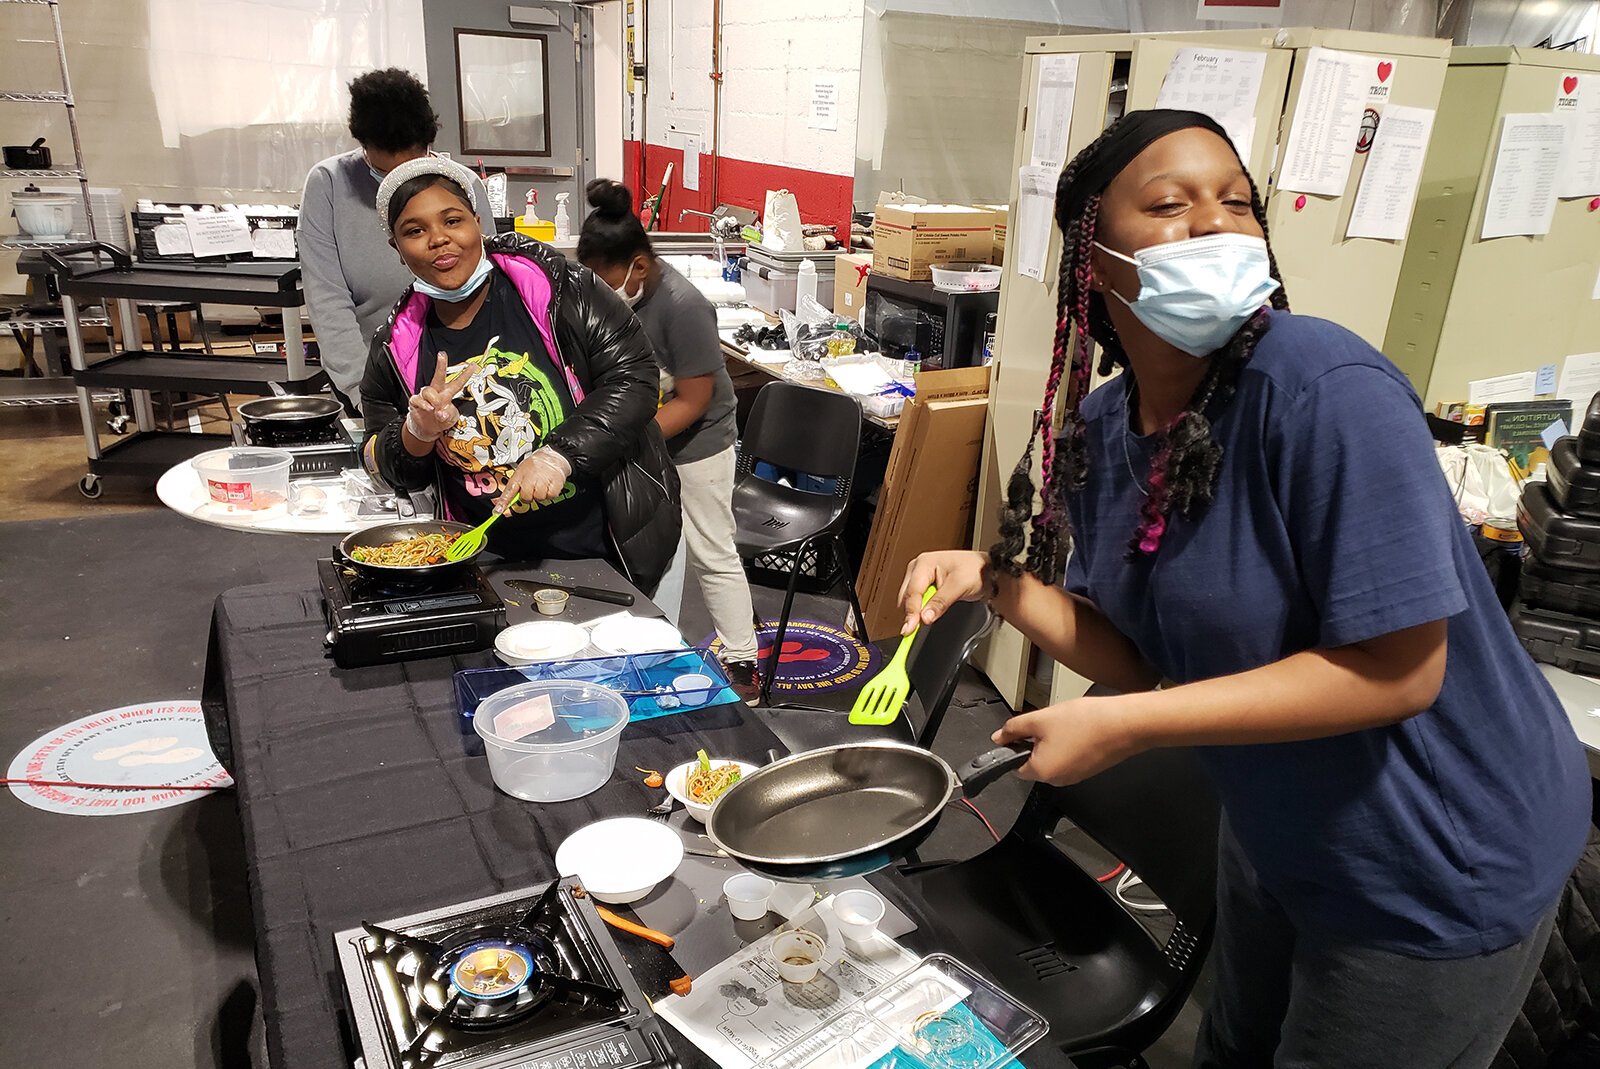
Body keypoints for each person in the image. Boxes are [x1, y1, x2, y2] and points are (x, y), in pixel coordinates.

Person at [900, 110, 1589, 1067]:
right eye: (1171, 205)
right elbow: (1140, 657)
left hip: (1431, 852)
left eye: (1238, 202)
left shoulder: (1323, 388)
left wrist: (1128, 729)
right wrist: (993, 580)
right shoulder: (1104, 428)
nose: (1219, 224)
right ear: (1095, 259)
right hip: (1276, 822)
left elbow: (1399, 675)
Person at [360, 157, 679, 591]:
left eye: (452, 220)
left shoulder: (563, 290)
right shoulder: (394, 346)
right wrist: (418, 431)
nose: (438, 239)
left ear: (477, 222)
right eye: (414, 231)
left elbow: (635, 379)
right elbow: (383, 463)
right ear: (397, 248)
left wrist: (558, 455)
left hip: (602, 547)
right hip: (482, 561)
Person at [577, 179, 761, 703]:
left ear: (637, 266)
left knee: (710, 548)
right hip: (644, 439)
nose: (596, 287)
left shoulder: (684, 306)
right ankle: (649, 649)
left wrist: (627, 440)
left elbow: (695, 399)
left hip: (699, 443)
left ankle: (743, 660)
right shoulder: (613, 299)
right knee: (647, 550)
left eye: (602, 277)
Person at [300, 68, 494, 412]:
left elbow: (490, 284)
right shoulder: (328, 185)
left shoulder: (462, 184)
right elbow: (327, 300)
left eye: (415, 168)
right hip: (372, 371)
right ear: (363, 146)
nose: (403, 187)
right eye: (389, 175)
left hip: (464, 373)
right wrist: (368, 395)